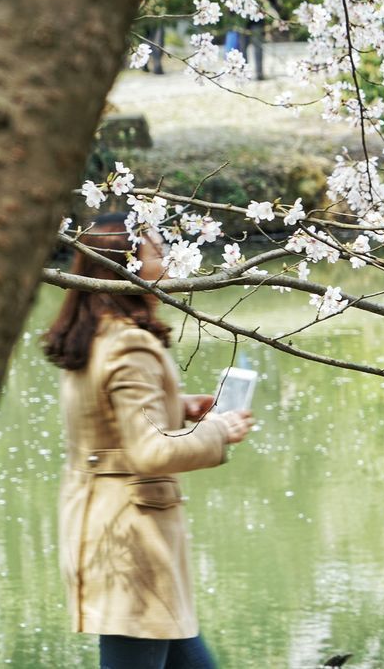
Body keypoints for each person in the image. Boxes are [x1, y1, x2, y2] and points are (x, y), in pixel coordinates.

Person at [43, 215, 255, 669]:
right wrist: (220, 430)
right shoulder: (129, 346)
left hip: (107, 525)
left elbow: (105, 419)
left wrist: (176, 406)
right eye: (159, 252)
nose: (169, 259)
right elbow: (149, 450)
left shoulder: (93, 337)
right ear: (127, 268)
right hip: (132, 543)